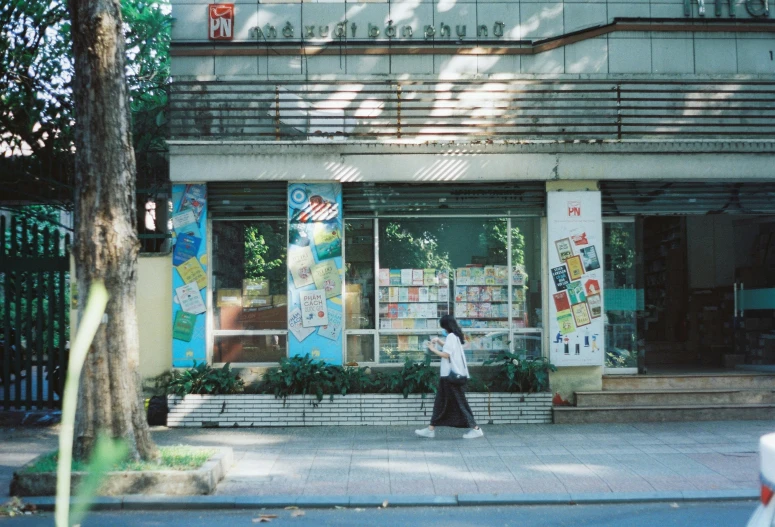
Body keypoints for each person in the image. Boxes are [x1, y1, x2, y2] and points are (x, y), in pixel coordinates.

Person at [415, 314, 484, 440]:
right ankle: (430, 429)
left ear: (445, 326)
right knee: (441, 403)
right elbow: (450, 350)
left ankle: (476, 429)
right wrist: (439, 341)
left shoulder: (452, 337)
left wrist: (432, 348)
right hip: (449, 377)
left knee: (458, 403)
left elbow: (446, 355)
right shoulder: (454, 336)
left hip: (450, 377)